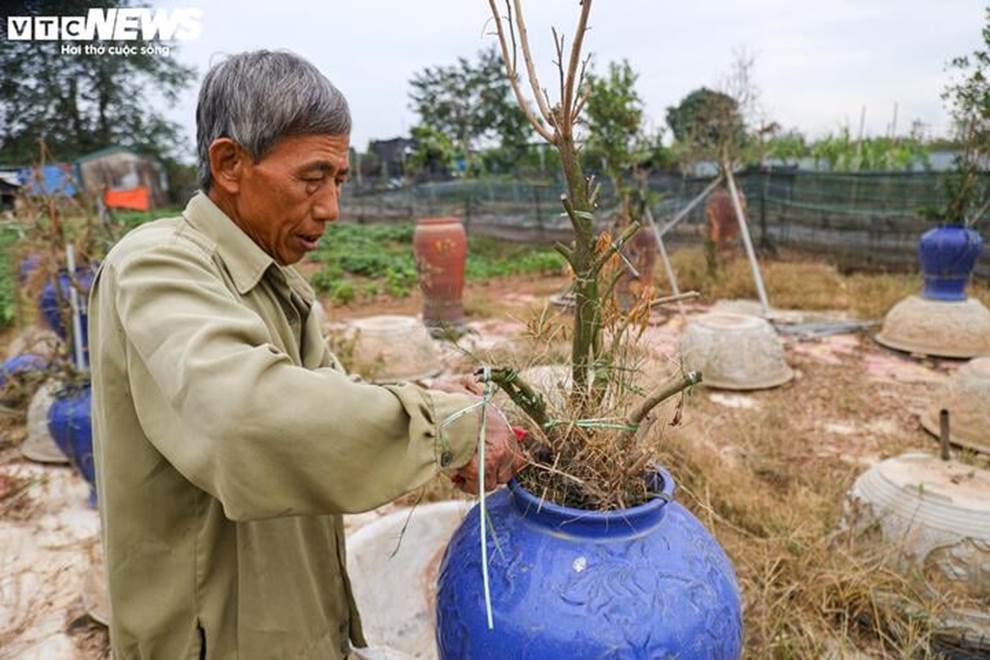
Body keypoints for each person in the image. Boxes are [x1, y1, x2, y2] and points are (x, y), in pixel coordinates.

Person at [88, 50, 522, 659]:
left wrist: (440, 417)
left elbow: (325, 417)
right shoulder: (156, 265)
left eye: (339, 181)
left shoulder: (281, 285)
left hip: (297, 623)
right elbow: (248, 420)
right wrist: (443, 425)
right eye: (311, 177)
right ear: (230, 163)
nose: (330, 208)